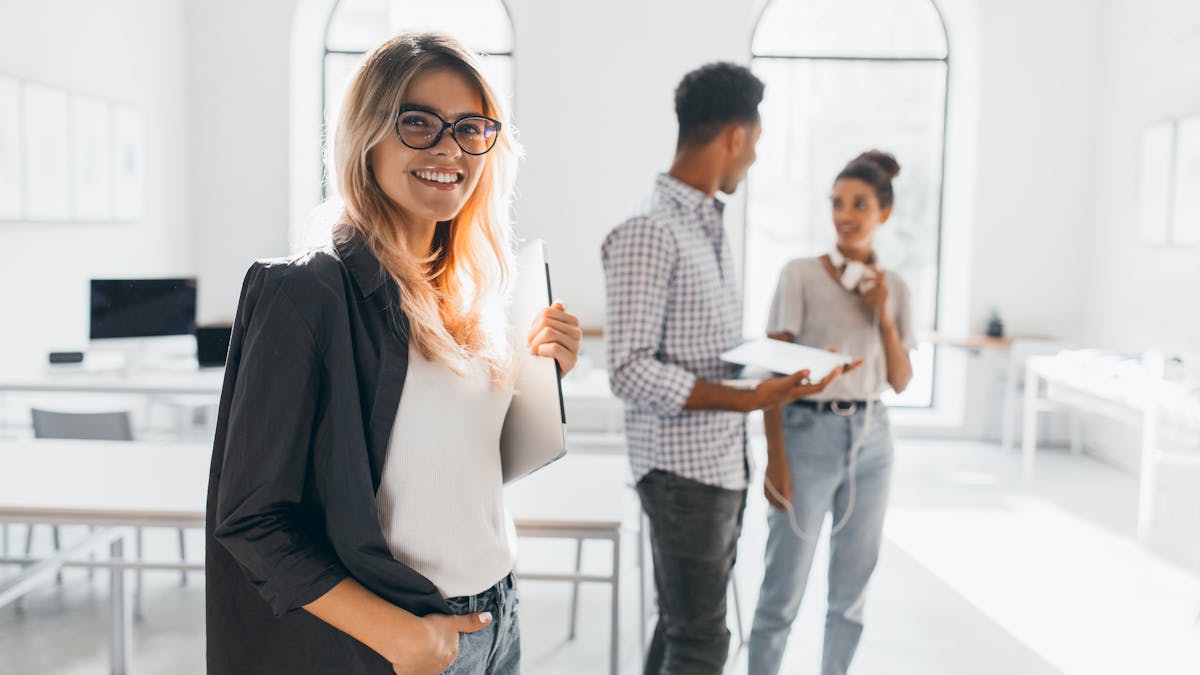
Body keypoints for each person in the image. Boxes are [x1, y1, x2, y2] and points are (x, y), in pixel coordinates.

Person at [204, 32, 581, 675]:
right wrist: (397, 636)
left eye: (470, 127)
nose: (448, 148)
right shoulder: (304, 293)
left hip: (498, 617)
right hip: (400, 632)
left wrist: (544, 380)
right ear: (367, 137)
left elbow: (452, 471)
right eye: (418, 123)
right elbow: (250, 518)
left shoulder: (474, 291)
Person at [602, 62, 848, 675]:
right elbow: (628, 370)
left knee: (685, 626)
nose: (755, 160)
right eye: (757, 144)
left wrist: (780, 367)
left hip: (716, 465)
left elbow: (704, 341)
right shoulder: (648, 229)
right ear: (734, 137)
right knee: (704, 642)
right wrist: (746, 400)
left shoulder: (705, 222)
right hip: (680, 474)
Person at [747, 151, 915, 675]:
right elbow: (770, 372)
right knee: (782, 593)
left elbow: (901, 380)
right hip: (805, 433)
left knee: (851, 595)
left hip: (873, 440)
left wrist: (882, 313)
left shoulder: (897, 289)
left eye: (859, 204)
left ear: (883, 213)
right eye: (837, 203)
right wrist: (776, 457)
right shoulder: (799, 274)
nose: (845, 214)